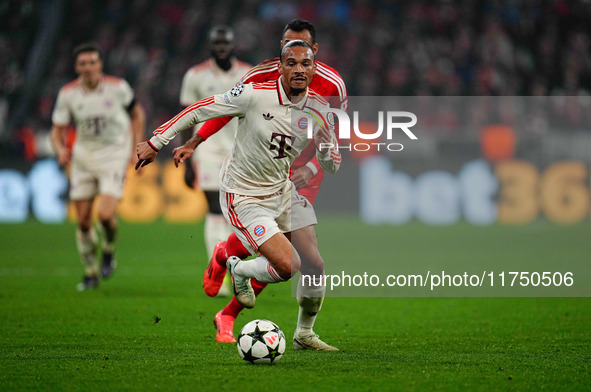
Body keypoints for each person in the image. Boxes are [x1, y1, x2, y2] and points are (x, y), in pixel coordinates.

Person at [137, 40, 341, 350]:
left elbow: (332, 165)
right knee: (287, 267)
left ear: (314, 68)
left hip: (282, 191)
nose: (299, 69)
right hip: (244, 195)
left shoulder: (320, 111)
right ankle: (240, 267)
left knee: (314, 266)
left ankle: (304, 333)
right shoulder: (253, 95)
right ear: (281, 66)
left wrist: (326, 146)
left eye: (305, 64)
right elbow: (200, 109)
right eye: (292, 63)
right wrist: (157, 141)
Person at [199, 19, 348, 344]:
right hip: (260, 171)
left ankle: (295, 329)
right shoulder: (259, 76)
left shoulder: (332, 85)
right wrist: (195, 141)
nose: (293, 56)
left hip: (303, 174)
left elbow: (338, 135)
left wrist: (311, 167)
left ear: (314, 51)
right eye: (285, 47)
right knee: (280, 256)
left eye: (302, 49)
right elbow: (224, 111)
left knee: (306, 262)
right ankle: (228, 302)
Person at [51, 42, 145, 291]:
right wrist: (61, 150)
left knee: (105, 215)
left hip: (114, 155)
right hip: (83, 158)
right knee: (82, 222)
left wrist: (137, 148)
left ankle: (109, 250)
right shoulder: (68, 93)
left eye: (92, 62)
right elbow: (57, 129)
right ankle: (91, 273)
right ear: (76, 67)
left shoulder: (118, 88)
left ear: (100, 64)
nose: (88, 67)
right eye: (83, 63)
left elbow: (137, 114)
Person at [179, 26, 251, 296]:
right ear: (210, 46)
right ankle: (217, 273)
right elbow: (188, 115)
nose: (222, 47)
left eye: (226, 43)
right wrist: (188, 156)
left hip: (241, 151)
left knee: (236, 213)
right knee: (213, 206)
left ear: (233, 45)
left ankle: (234, 269)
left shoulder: (248, 73)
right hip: (206, 149)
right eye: (217, 43)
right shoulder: (195, 75)